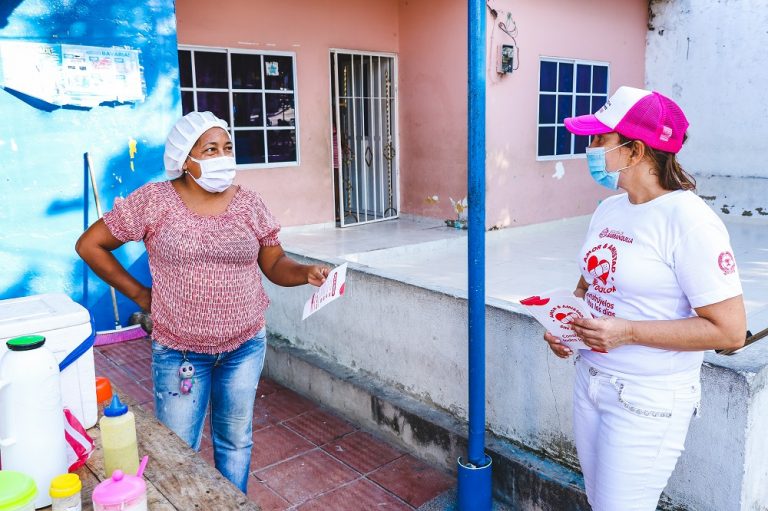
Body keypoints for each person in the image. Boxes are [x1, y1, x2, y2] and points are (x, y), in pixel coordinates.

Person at [76, 111, 329, 493]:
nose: (223, 157)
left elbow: (274, 262)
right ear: (184, 158)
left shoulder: (250, 204)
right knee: (178, 450)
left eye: (227, 147)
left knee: (236, 441)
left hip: (245, 345)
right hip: (179, 352)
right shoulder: (154, 201)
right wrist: (141, 295)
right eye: (210, 149)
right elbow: (90, 245)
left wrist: (304, 273)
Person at [544, 86, 746, 510]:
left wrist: (628, 332)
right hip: (591, 381)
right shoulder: (610, 209)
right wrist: (567, 327)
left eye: (599, 139)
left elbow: (728, 330)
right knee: (601, 502)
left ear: (635, 151)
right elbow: (589, 286)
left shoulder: (690, 221)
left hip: (646, 398)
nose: (590, 148)